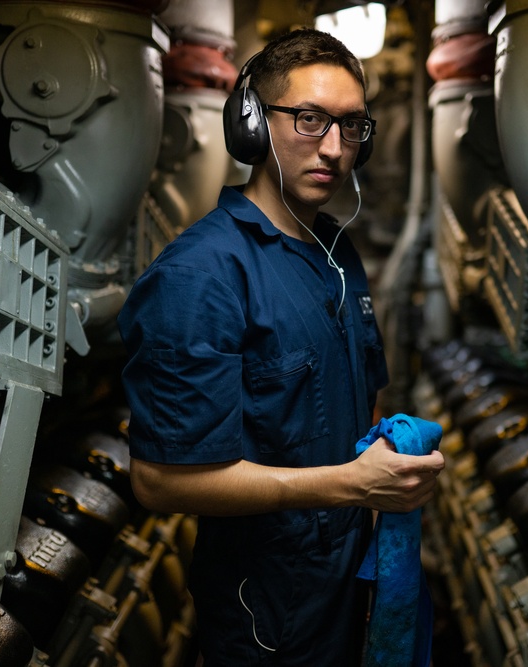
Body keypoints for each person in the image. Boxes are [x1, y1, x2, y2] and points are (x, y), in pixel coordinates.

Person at [117, 28, 446, 666]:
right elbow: (159, 481)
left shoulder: (337, 254)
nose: (333, 149)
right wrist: (351, 486)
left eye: (351, 127)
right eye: (308, 119)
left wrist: (384, 459)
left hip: (348, 581)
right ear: (251, 126)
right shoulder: (202, 275)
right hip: (266, 609)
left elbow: (346, 400)